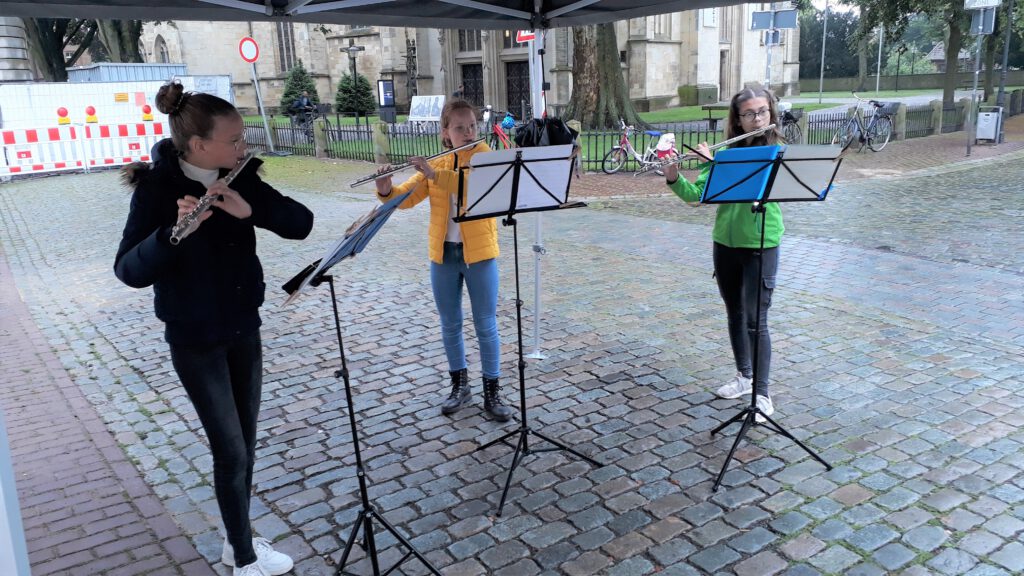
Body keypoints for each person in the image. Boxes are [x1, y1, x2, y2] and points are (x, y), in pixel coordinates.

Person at [114, 81, 314, 576]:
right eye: (234, 139)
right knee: (229, 450)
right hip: (195, 337)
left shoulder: (239, 177)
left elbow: (302, 223)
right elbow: (129, 271)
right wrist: (171, 236)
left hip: (244, 326)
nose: (243, 147)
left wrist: (252, 211)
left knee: (244, 446)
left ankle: (235, 540)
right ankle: (243, 558)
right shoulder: (158, 189)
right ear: (199, 144)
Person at [373, 99, 512, 422]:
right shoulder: (438, 162)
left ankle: (492, 390)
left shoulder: (486, 158)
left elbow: (470, 188)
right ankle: (459, 385)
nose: (468, 132)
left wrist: (434, 173)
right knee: (450, 324)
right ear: (445, 132)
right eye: (460, 127)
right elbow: (406, 198)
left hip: (480, 254)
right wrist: (385, 190)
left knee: (486, 324)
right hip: (443, 255)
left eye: (472, 126)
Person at [664, 84, 784, 422]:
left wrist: (717, 164)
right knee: (734, 314)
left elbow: (754, 189)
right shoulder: (726, 152)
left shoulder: (777, 151)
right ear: (738, 119)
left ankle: (762, 393)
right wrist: (674, 177)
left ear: (770, 113)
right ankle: (744, 377)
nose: (758, 118)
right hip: (725, 242)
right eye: (749, 114)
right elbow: (698, 195)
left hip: (761, 241)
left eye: (762, 111)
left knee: (755, 320)